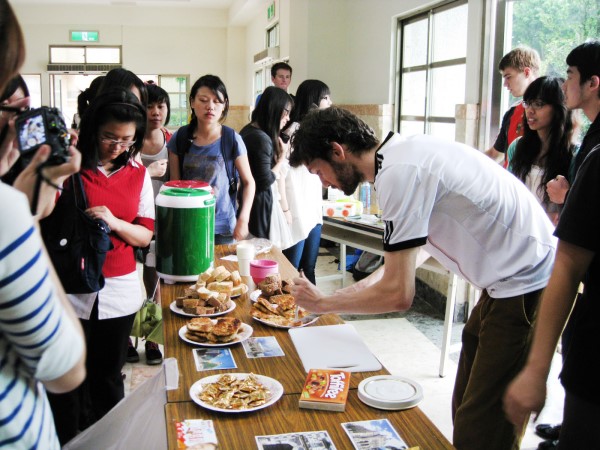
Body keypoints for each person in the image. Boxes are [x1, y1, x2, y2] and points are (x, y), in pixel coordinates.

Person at [289, 107, 556, 450]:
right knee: (465, 408)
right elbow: (399, 267)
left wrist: (324, 302)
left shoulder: (399, 173)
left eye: (319, 171)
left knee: (482, 428)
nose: (324, 182)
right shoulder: (400, 154)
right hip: (505, 283)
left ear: (337, 151)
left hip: (528, 283)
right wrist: (330, 300)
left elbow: (399, 294)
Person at [506, 39, 600, 450]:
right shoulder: (520, 148)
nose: (566, 84)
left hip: (555, 264)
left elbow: (570, 260)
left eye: (572, 77)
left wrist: (535, 370)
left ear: (593, 83)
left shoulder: (583, 150)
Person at [46, 87, 155, 444]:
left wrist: (114, 222)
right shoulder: (72, 167)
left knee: (108, 375)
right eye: (110, 136)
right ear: (93, 128)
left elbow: (144, 236)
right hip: (72, 287)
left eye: (126, 140)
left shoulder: (138, 173)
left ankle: (109, 440)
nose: (117, 146)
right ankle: (69, 438)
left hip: (119, 290)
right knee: (70, 375)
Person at [1, 1, 86, 448]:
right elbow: (66, 369)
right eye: (15, 113)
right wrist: (23, 218)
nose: (21, 131)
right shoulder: (5, 213)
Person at [168, 74, 255, 244]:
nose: (210, 107)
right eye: (204, 100)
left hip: (223, 228)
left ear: (224, 105)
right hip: (189, 223)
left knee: (222, 271)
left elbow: (249, 182)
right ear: (192, 102)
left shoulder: (232, 139)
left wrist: (243, 219)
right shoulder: (179, 138)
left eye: (217, 101)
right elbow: (175, 185)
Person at [506, 76, 579, 226]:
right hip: (518, 227)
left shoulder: (575, 155)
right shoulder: (517, 147)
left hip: (552, 236)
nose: (530, 111)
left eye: (539, 104)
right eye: (527, 103)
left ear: (559, 109)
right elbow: (508, 192)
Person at [134, 81, 171, 365]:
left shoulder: (173, 141)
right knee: (146, 286)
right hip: (138, 223)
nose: (156, 112)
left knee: (163, 285)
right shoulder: (131, 140)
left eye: (160, 106)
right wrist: (147, 172)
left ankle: (156, 339)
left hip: (168, 223)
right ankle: (147, 339)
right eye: (149, 106)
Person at [282, 79, 332, 284]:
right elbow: (284, 173)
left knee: (309, 268)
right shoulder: (292, 132)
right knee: (291, 269)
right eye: (326, 97)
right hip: (296, 208)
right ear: (314, 99)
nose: (330, 102)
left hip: (312, 207)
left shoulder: (319, 131)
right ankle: (282, 314)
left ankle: (311, 313)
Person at [240, 86, 293, 244]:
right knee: (263, 253)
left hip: (251, 202)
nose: (288, 118)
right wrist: (282, 157)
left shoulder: (248, 130)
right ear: (275, 109)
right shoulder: (260, 138)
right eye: (287, 112)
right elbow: (265, 180)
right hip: (259, 206)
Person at [485, 46, 541, 166]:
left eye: (508, 77)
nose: (505, 84)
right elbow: (495, 154)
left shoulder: (551, 111)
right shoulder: (513, 112)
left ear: (527, 72)